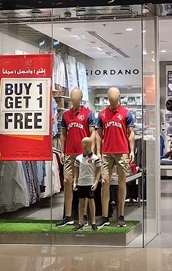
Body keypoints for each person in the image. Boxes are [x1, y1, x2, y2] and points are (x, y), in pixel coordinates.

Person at [56, 88, 96, 227]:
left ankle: (83, 216)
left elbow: (92, 133)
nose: (74, 101)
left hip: (83, 154)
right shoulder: (66, 115)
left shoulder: (88, 114)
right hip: (69, 153)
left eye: (76, 98)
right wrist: (62, 151)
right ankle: (68, 216)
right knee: (67, 181)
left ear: (81, 98)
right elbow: (63, 134)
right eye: (72, 99)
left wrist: (90, 150)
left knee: (83, 185)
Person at [96, 87, 135, 229]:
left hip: (122, 151)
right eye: (110, 99)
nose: (112, 101)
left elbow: (131, 132)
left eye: (115, 99)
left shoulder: (126, 113)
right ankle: (105, 216)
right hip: (107, 152)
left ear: (119, 98)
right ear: (108, 98)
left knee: (121, 182)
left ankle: (121, 215)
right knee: (104, 181)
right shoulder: (102, 114)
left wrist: (131, 150)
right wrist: (98, 151)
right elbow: (99, 134)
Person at [73, 137, 101, 231]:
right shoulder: (78, 158)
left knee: (91, 201)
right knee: (81, 202)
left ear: (90, 144)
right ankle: (80, 222)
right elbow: (76, 171)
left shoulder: (95, 158)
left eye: (86, 143)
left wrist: (96, 182)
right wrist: (75, 182)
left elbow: (98, 171)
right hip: (81, 183)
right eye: (83, 143)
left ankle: (93, 222)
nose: (84, 145)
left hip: (90, 183)